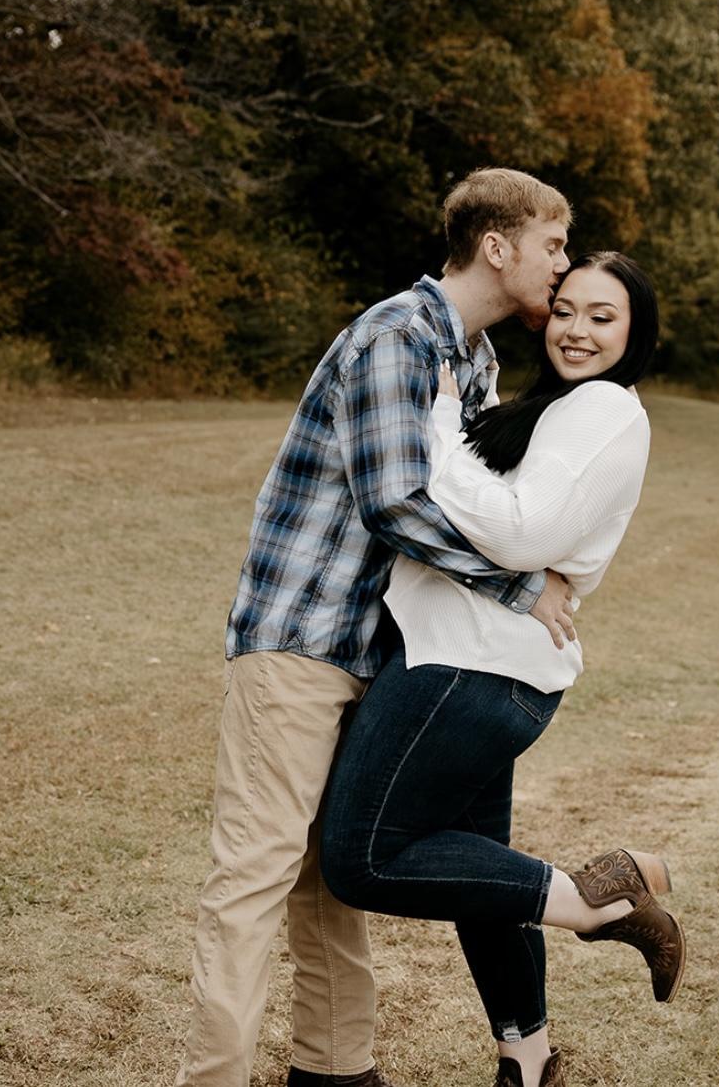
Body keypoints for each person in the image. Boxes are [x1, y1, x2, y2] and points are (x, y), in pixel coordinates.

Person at [175, 168, 581, 1087]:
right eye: (553, 245)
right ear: (497, 246)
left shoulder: (473, 359)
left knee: (329, 879)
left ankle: (335, 1071)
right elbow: (395, 502)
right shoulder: (396, 336)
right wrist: (520, 589)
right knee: (254, 877)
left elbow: (480, 499)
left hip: (380, 651)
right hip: (300, 641)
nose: (563, 265)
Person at [320, 252, 685, 1087]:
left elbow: (519, 534)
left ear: (637, 332)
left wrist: (440, 430)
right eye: (567, 310)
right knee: (480, 870)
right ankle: (528, 1059)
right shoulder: (563, 405)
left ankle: (601, 899)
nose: (577, 330)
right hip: (487, 662)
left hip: (467, 665)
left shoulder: (603, 408)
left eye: (603, 317)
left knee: (361, 857)